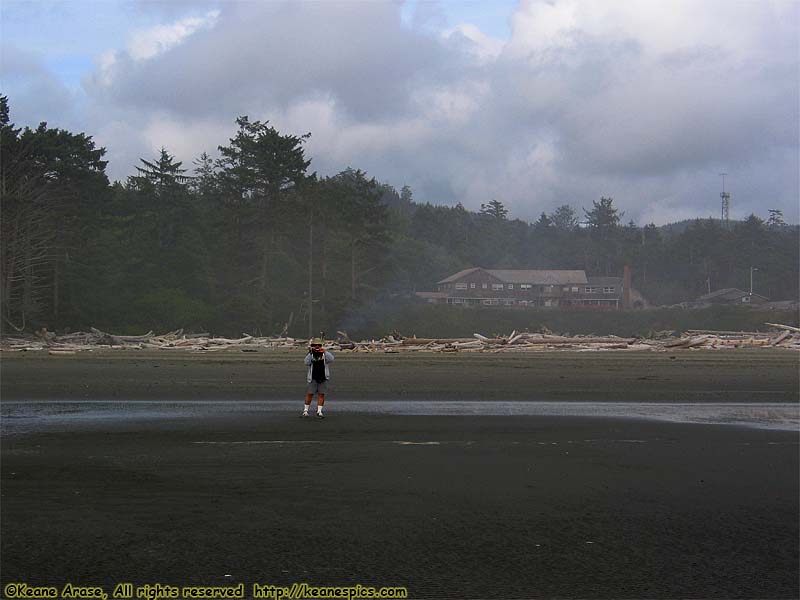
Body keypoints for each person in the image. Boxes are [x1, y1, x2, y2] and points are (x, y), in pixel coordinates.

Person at [303, 338, 334, 418]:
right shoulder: (311, 354)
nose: (317, 347)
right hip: (312, 377)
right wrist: (311, 353)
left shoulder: (324, 354)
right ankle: (305, 411)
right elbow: (306, 362)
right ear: (312, 346)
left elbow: (331, 359)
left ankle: (319, 411)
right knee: (310, 394)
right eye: (314, 345)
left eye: (319, 345)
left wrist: (324, 352)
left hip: (323, 377)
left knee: (321, 394)